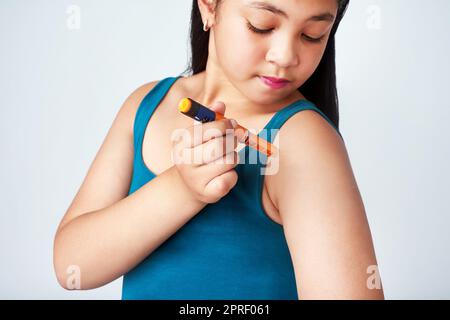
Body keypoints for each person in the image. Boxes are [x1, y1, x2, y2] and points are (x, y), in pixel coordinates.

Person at [53, 0, 385, 299]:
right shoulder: (145, 105)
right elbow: (72, 266)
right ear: (209, 6)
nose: (285, 56)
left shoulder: (303, 139)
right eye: (262, 25)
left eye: (313, 34)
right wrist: (183, 189)